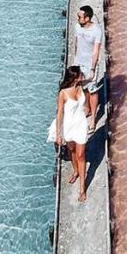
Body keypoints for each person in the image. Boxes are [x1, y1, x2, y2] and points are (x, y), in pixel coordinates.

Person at [47, 65, 89, 202]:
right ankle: (75, 170)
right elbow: (59, 114)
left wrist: (87, 109)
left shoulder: (82, 87)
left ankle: (82, 188)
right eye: (80, 74)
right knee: (71, 149)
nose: (83, 75)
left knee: (81, 154)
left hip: (81, 124)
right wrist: (58, 134)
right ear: (75, 78)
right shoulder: (63, 93)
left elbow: (87, 103)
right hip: (69, 126)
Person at [74, 5, 103, 133]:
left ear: (87, 18)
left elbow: (96, 51)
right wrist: (75, 61)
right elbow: (76, 44)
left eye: (80, 17)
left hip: (90, 64)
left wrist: (92, 68)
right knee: (82, 87)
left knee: (92, 90)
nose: (78, 18)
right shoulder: (77, 27)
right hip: (79, 63)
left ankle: (93, 119)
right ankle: (87, 108)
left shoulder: (96, 31)